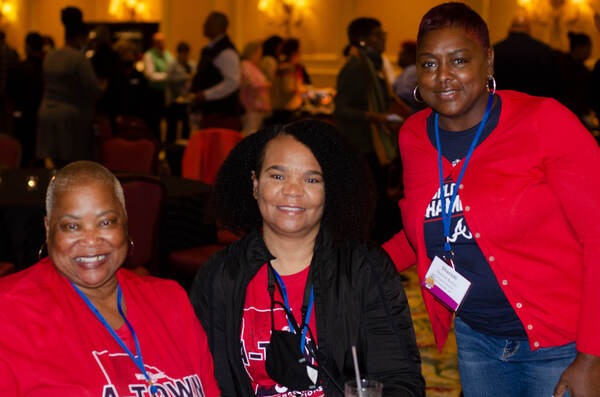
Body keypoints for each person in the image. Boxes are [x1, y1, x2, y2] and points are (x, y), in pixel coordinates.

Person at [383, 3, 600, 397]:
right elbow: (429, 223)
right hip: (476, 338)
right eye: (429, 64)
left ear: (488, 61)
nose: (443, 76)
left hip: (559, 345)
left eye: (459, 60)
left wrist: (590, 356)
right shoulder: (414, 135)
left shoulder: (544, 122)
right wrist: (355, 264)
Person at [189, 119, 425, 397]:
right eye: (277, 176)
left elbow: (401, 380)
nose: (292, 190)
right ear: (254, 184)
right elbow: (201, 380)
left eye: (311, 179)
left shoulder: (365, 268)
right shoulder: (219, 275)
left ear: (330, 191)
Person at [0, 161, 221, 396]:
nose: (91, 240)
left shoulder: (171, 300)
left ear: (125, 223)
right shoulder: (9, 312)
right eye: (72, 226)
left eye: (106, 222)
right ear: (48, 228)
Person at [334, 17, 409, 243]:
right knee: (371, 204)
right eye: (377, 35)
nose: (384, 37)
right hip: (361, 145)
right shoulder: (356, 67)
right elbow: (341, 109)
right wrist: (374, 117)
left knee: (380, 204)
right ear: (362, 40)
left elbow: (384, 100)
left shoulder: (374, 65)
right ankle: (373, 260)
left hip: (375, 144)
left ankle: (380, 259)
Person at [37, 7, 101, 167]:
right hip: (70, 118)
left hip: (46, 112)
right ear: (80, 38)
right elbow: (93, 89)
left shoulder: (50, 56)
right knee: (72, 167)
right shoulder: (79, 59)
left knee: (54, 165)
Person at [190, 11, 243, 131]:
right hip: (211, 113)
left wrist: (206, 94)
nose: (204, 25)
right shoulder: (211, 48)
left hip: (222, 115)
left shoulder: (226, 51)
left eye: (207, 22)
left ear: (218, 26)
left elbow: (233, 82)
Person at [493, 15, 561, 99]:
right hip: (535, 106)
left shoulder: (494, 50)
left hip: (502, 105)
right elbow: (554, 86)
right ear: (529, 29)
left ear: (510, 29)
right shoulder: (545, 51)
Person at [7, 32, 44, 167]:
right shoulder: (45, 68)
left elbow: (10, 92)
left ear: (27, 47)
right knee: (38, 153)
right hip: (39, 116)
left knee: (22, 153)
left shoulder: (18, 67)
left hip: (22, 115)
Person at [269, 38, 307, 125]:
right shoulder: (287, 68)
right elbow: (288, 88)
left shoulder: (282, 66)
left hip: (282, 108)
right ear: (295, 52)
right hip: (286, 109)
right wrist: (303, 91)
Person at [143, 32, 174, 140]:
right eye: (158, 41)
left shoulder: (168, 54)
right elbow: (150, 75)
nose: (161, 44)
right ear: (154, 43)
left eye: (162, 41)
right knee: (155, 122)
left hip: (168, 93)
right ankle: (155, 146)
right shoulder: (148, 55)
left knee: (170, 122)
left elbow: (173, 68)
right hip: (154, 93)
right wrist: (168, 76)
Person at [557, 32, 592, 120]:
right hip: (570, 113)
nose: (589, 52)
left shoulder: (559, 62)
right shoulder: (578, 70)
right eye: (588, 48)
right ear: (578, 47)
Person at [166, 41, 196, 142]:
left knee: (186, 126)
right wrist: (185, 77)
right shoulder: (172, 64)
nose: (184, 55)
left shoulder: (191, 64)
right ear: (178, 53)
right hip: (174, 100)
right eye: (182, 53)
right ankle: (170, 150)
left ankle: (183, 149)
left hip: (187, 100)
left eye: (186, 53)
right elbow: (169, 78)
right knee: (172, 127)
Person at [240, 40, 271, 135]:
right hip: (251, 106)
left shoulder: (252, 67)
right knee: (250, 132)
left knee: (253, 132)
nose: (260, 57)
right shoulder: (245, 66)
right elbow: (253, 84)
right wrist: (266, 84)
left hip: (256, 107)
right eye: (259, 54)